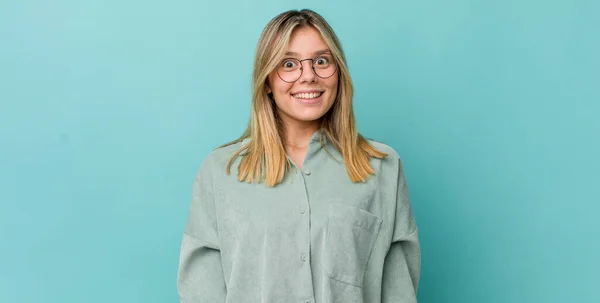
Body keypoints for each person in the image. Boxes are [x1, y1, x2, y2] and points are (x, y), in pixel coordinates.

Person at [177, 9, 420, 303]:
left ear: (338, 72)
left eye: (321, 61)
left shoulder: (382, 168)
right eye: (289, 64)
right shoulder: (221, 172)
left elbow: (398, 290)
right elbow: (200, 292)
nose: (309, 76)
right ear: (267, 80)